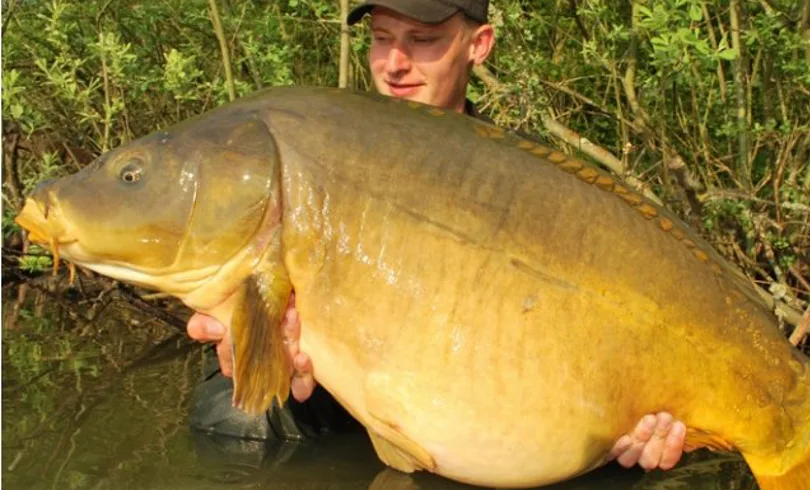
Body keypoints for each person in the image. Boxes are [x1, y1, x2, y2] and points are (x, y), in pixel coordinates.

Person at [186, 0, 690, 474]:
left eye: (423, 40)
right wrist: (265, 361)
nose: (394, 64)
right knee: (228, 417)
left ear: (479, 44)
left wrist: (626, 439)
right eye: (382, 38)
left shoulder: (542, 189)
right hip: (350, 426)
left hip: (493, 434)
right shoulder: (320, 154)